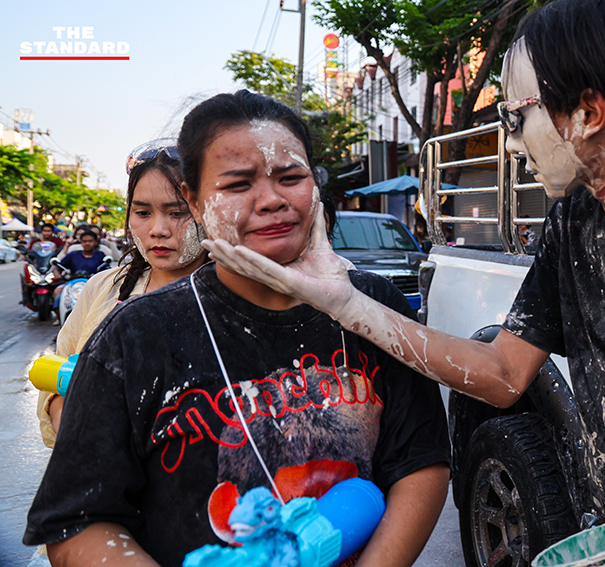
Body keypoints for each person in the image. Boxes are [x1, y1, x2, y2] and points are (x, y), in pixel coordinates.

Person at [201, 1, 605, 566]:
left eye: (517, 118)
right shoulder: (573, 223)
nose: (511, 145)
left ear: (589, 111)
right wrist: (346, 301)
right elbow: (506, 373)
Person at [25, 91, 450, 567]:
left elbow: (421, 465)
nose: (271, 200)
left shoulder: (375, 308)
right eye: (238, 184)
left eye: (291, 177)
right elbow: (75, 524)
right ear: (196, 199)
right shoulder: (136, 333)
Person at [36, 142, 209, 448]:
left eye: (177, 212)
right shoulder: (102, 288)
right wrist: (77, 427)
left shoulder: (239, 292)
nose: (158, 229)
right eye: (143, 212)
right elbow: (55, 383)